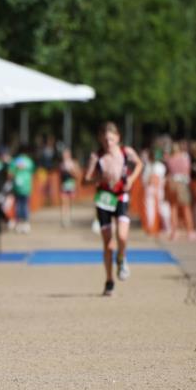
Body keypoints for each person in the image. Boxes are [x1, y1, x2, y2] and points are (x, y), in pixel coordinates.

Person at [84, 121, 143, 296]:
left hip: (121, 197)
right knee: (108, 244)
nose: (108, 143)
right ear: (100, 140)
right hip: (104, 199)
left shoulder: (127, 152)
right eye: (104, 140)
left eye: (111, 139)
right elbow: (85, 179)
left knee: (123, 236)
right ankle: (109, 280)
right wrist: (98, 179)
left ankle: (121, 258)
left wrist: (131, 180)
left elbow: (139, 164)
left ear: (118, 138)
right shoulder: (97, 156)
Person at [165, 139, 193, 240]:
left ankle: (174, 232)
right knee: (186, 208)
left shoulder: (169, 159)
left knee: (173, 208)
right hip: (182, 183)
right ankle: (190, 232)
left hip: (172, 183)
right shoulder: (184, 157)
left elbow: (168, 172)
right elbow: (187, 171)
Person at [9, 147, 35, 233]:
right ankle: (26, 223)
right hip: (27, 187)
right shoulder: (29, 161)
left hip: (17, 187)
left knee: (18, 206)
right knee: (25, 205)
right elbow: (32, 172)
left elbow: (10, 173)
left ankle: (19, 223)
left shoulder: (14, 161)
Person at [58, 147, 80, 227]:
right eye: (64, 155)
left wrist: (71, 170)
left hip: (71, 186)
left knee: (70, 203)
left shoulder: (74, 163)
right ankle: (64, 219)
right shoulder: (61, 165)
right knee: (64, 203)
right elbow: (60, 176)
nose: (65, 156)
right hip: (63, 186)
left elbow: (77, 175)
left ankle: (70, 218)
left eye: (66, 155)